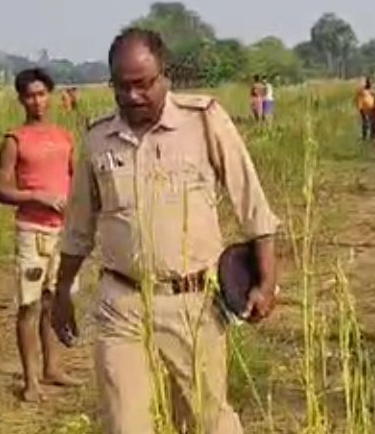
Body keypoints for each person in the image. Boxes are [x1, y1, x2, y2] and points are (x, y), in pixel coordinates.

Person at [51, 29, 279, 434]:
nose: (134, 96)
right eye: (123, 87)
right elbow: (77, 228)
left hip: (192, 304)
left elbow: (252, 204)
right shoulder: (98, 138)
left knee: (207, 421)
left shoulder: (204, 120)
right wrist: (61, 294)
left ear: (165, 77)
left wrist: (267, 279)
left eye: (144, 84)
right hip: (120, 303)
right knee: (125, 424)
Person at [0, 68, 80, 403]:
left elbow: (75, 182)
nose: (37, 101)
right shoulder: (14, 139)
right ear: (21, 99)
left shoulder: (63, 136)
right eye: (30, 95)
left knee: (55, 301)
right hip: (32, 231)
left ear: (51, 95)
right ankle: (31, 379)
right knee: (29, 304)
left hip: (63, 231)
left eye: (42, 94)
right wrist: (36, 196)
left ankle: (53, 368)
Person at [355, 77, 375, 141]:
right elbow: (359, 101)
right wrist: (361, 110)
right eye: (368, 82)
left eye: (371, 82)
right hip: (365, 110)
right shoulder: (362, 91)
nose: (369, 83)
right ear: (366, 82)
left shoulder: (373, 91)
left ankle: (372, 138)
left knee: (373, 125)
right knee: (366, 124)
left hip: (373, 110)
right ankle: (364, 138)